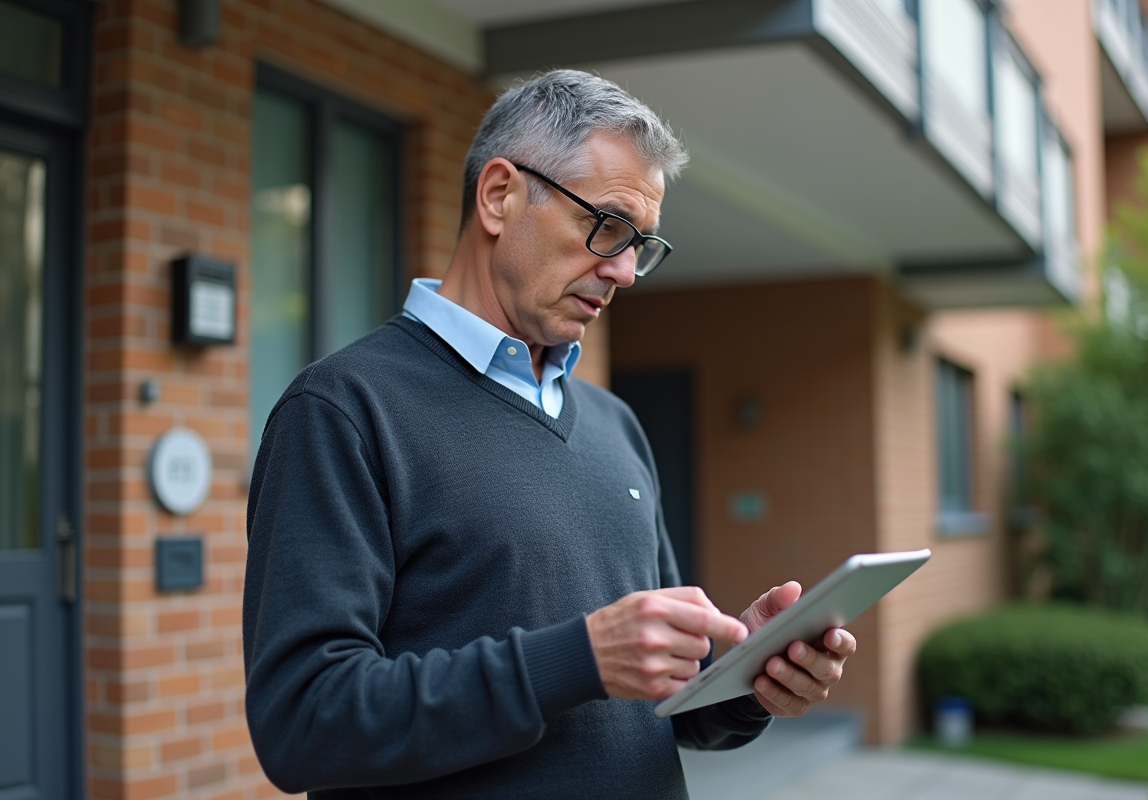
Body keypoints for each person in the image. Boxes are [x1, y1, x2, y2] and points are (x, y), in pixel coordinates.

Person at [243, 69, 856, 799]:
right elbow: (304, 724)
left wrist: (746, 677)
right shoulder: (343, 409)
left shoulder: (614, 423)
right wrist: (577, 659)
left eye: (643, 245)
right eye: (607, 227)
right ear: (500, 195)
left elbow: (659, 709)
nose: (626, 271)